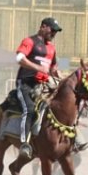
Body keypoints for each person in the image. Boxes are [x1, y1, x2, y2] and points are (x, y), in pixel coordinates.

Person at [13, 17, 61, 161]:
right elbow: (19, 58)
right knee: (30, 110)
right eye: (52, 30)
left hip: (44, 86)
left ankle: (73, 141)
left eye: (56, 32)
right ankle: (24, 145)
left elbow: (53, 69)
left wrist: (62, 79)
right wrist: (38, 68)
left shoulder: (51, 48)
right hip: (26, 84)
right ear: (43, 27)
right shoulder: (29, 41)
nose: (53, 34)